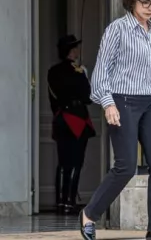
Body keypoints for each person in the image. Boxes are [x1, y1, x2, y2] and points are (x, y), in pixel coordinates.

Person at [79, 0, 151, 240]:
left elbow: (144, 74)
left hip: (148, 101)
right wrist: (108, 103)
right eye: (145, 2)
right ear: (132, 0)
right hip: (122, 101)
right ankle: (90, 213)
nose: (149, 8)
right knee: (125, 166)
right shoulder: (117, 29)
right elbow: (101, 73)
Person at [48, 35, 96, 215]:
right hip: (76, 120)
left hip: (61, 119)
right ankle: (69, 202)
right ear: (71, 50)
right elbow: (87, 97)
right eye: (75, 47)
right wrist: (84, 74)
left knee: (62, 163)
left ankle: (60, 203)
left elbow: (53, 99)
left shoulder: (53, 71)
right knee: (75, 162)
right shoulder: (77, 71)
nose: (78, 50)